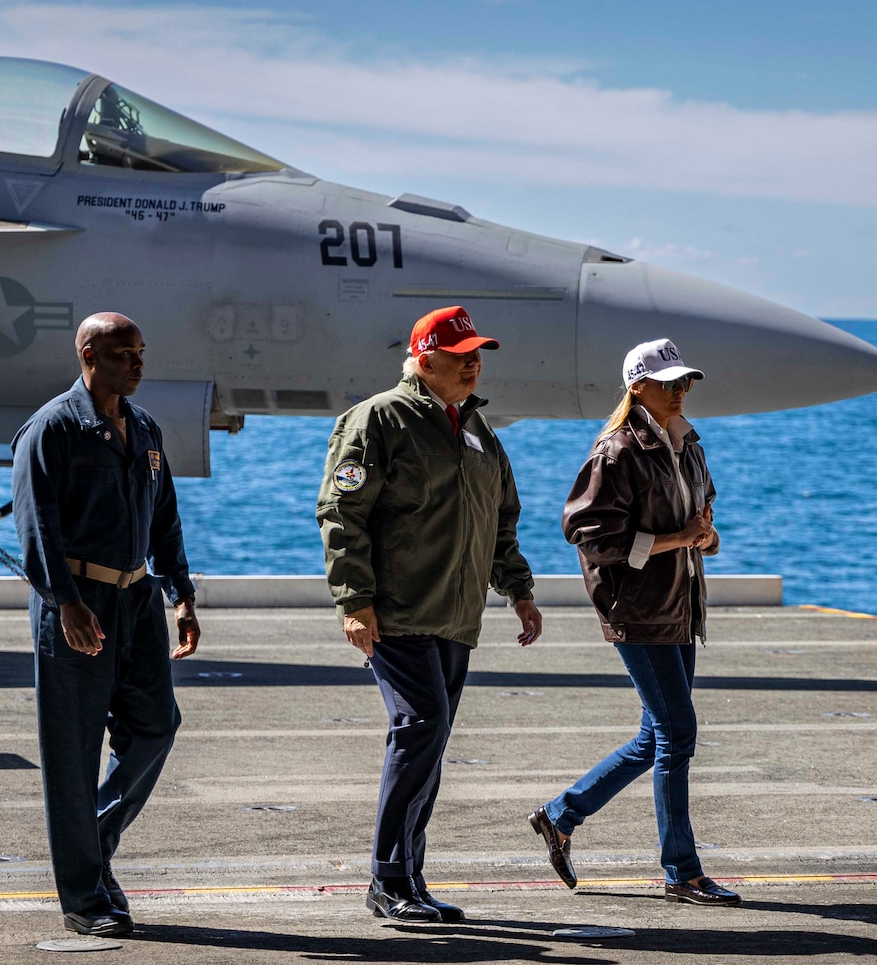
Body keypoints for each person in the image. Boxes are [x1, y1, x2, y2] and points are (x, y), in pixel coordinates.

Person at [318, 306, 543, 923]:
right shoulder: (379, 418)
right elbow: (342, 513)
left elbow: (501, 520)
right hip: (398, 611)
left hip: (457, 616)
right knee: (421, 727)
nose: (473, 365)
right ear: (423, 359)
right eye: (459, 356)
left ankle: (409, 879)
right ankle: (387, 879)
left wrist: (518, 590)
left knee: (431, 741)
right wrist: (354, 601)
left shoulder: (478, 429)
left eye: (477, 355)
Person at [529, 338, 742, 907]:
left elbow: (702, 524)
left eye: (685, 382)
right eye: (668, 383)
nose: (679, 391)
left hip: (680, 606)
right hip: (638, 609)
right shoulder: (617, 451)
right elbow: (589, 537)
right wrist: (677, 539)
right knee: (677, 732)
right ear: (637, 386)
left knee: (657, 735)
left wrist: (706, 537)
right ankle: (682, 872)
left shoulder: (688, 445)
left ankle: (560, 815)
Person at [11, 312, 201, 937]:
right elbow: (36, 525)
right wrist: (65, 603)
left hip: (137, 598)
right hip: (76, 600)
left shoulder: (144, 428)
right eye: (124, 353)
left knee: (155, 727)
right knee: (72, 751)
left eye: (141, 351)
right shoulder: (51, 428)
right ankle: (84, 899)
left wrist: (181, 593)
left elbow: (164, 515)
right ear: (89, 355)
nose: (138, 363)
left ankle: (91, 844)